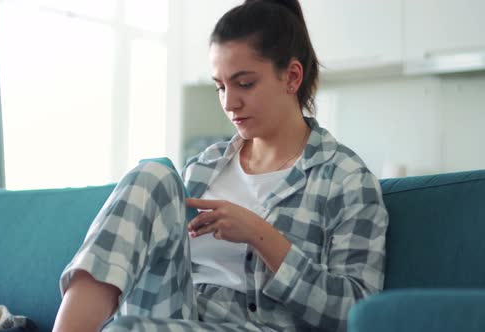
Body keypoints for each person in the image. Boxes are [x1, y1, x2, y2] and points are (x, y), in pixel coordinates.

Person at [52, 0, 388, 331]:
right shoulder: (204, 167)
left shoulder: (345, 179)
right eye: (220, 86)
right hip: (176, 316)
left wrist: (260, 234)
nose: (229, 103)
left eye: (245, 84)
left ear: (292, 77)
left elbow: (357, 313)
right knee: (152, 173)